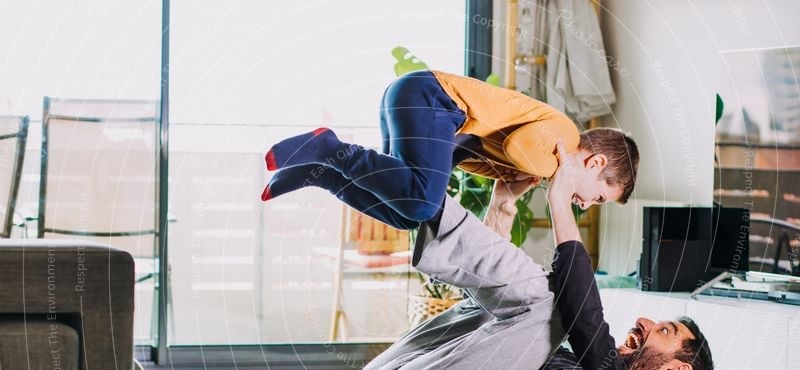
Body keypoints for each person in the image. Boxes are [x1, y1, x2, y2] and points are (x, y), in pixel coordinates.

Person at [344, 141, 714, 370]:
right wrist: (502, 204)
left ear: (676, 369)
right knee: (506, 310)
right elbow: (493, 318)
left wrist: (560, 199)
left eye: (665, 331)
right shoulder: (568, 364)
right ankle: (406, 186)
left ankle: (427, 193)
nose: (645, 323)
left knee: (556, 306)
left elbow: (588, 327)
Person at [261, 69, 639, 230]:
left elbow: (473, 158)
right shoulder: (564, 136)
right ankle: (329, 149)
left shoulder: (547, 158)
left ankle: (323, 174)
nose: (587, 205)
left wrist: (510, 183)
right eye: (599, 197)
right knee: (423, 202)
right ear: (595, 162)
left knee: (410, 214)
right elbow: (517, 144)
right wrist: (557, 171)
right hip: (431, 98)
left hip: (428, 110)